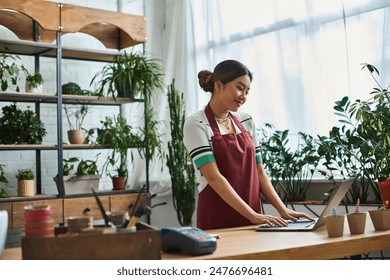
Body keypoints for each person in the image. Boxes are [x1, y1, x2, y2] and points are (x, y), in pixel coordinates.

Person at [183, 60, 313, 230]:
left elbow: (259, 171)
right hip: (218, 215)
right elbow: (213, 177)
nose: (243, 97)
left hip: (255, 216)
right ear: (218, 85)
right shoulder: (196, 123)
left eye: (247, 91)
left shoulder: (246, 121)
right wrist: (251, 215)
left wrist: (282, 209)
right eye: (239, 88)